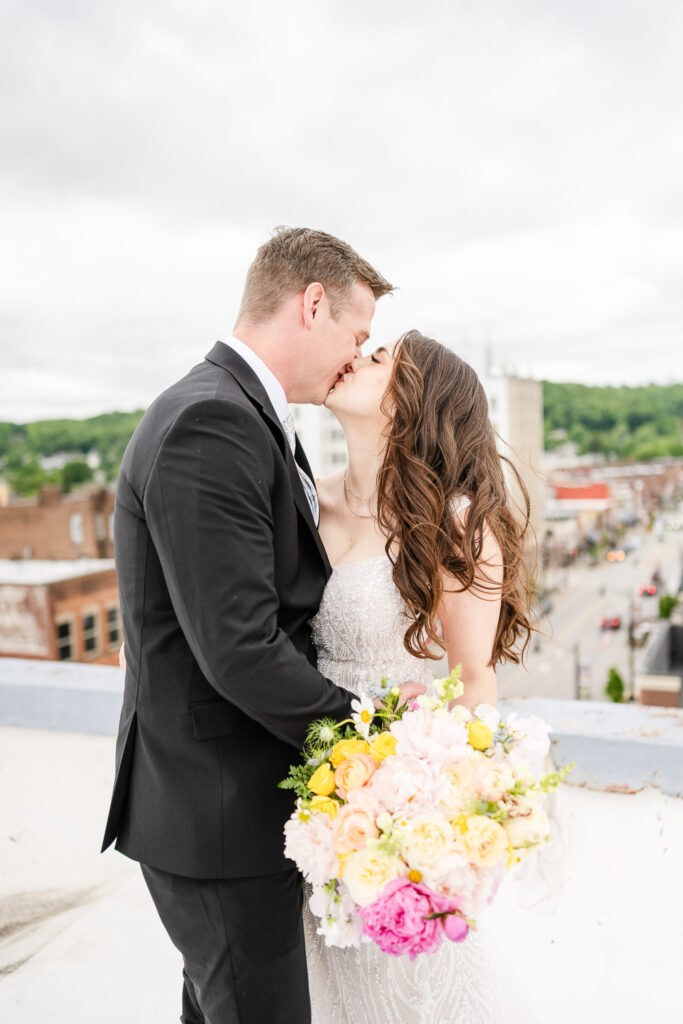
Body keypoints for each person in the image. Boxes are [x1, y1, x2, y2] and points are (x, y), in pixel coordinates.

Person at [102, 228, 424, 1024]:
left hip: (227, 811)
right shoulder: (213, 422)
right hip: (216, 815)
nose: (354, 356)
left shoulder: (241, 414)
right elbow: (239, 651)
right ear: (312, 304)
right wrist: (375, 740)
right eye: (354, 334)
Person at [303, 330, 537, 1024]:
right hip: (309, 803)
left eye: (378, 359)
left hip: (398, 818)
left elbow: (473, 683)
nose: (355, 358)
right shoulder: (303, 502)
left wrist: (432, 823)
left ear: (413, 401)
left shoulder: (456, 526)